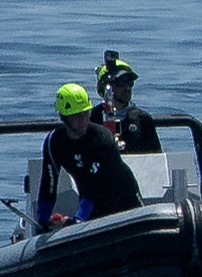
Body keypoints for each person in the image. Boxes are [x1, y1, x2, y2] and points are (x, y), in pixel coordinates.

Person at [44, 81, 142, 223]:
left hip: (124, 199)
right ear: (64, 118)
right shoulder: (54, 141)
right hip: (92, 207)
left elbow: (95, 187)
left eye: (85, 113)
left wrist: (78, 219)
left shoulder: (101, 139)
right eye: (76, 116)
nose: (83, 120)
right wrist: (44, 219)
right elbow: (48, 184)